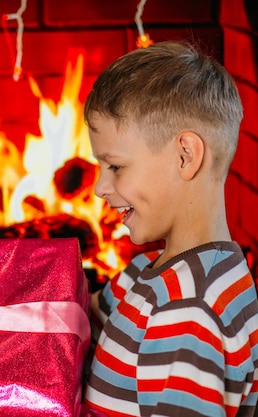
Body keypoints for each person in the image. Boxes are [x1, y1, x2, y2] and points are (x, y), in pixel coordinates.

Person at [82, 41, 258, 416]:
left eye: (115, 167)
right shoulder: (144, 274)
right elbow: (72, 317)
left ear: (185, 156)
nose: (100, 187)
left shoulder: (190, 313)